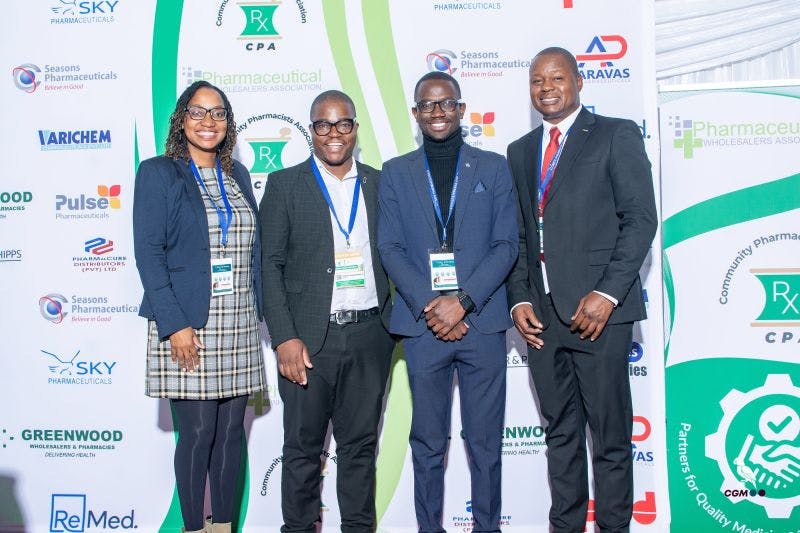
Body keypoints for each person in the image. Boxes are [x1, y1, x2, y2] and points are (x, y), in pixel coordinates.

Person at [506, 47, 657, 532]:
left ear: (578, 81)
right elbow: (521, 235)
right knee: (561, 436)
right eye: (536, 80)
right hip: (544, 320)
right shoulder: (521, 150)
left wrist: (608, 294)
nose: (546, 87)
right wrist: (521, 298)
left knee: (610, 439)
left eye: (556, 77)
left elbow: (640, 220)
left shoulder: (616, 134)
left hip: (599, 317)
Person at [377, 72, 518, 533]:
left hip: (482, 322)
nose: (437, 112)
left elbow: (506, 245)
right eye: (427, 105)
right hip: (424, 327)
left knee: (485, 443)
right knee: (428, 442)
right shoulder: (396, 172)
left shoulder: (494, 167)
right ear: (416, 114)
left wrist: (463, 302)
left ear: (461, 110)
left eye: (446, 103)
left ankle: (487, 527)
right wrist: (432, 304)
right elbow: (390, 248)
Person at [259, 90, 394, 533]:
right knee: (301, 451)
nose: (333, 134)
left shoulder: (380, 183)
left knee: (360, 450)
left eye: (342, 124)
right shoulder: (284, 185)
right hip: (307, 341)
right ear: (310, 131)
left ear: (355, 129)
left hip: (371, 335)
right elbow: (269, 265)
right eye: (322, 125)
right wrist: (284, 337)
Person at [133, 80, 265, 533]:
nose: (208, 122)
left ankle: (223, 525)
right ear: (181, 119)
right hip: (188, 321)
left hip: (238, 321)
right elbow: (149, 254)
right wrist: (175, 326)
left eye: (218, 114)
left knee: (231, 435)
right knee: (197, 435)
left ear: (228, 124)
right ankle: (193, 528)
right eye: (198, 112)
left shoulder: (239, 176)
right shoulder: (159, 173)